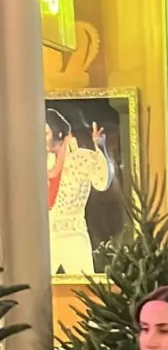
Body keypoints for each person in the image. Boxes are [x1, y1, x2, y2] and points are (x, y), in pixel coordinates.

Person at [45, 108, 115, 277]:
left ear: (58, 133)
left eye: (45, 133)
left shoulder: (79, 158)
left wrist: (100, 147)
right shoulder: (41, 161)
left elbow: (102, 181)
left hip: (73, 235)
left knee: (84, 287)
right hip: (46, 238)